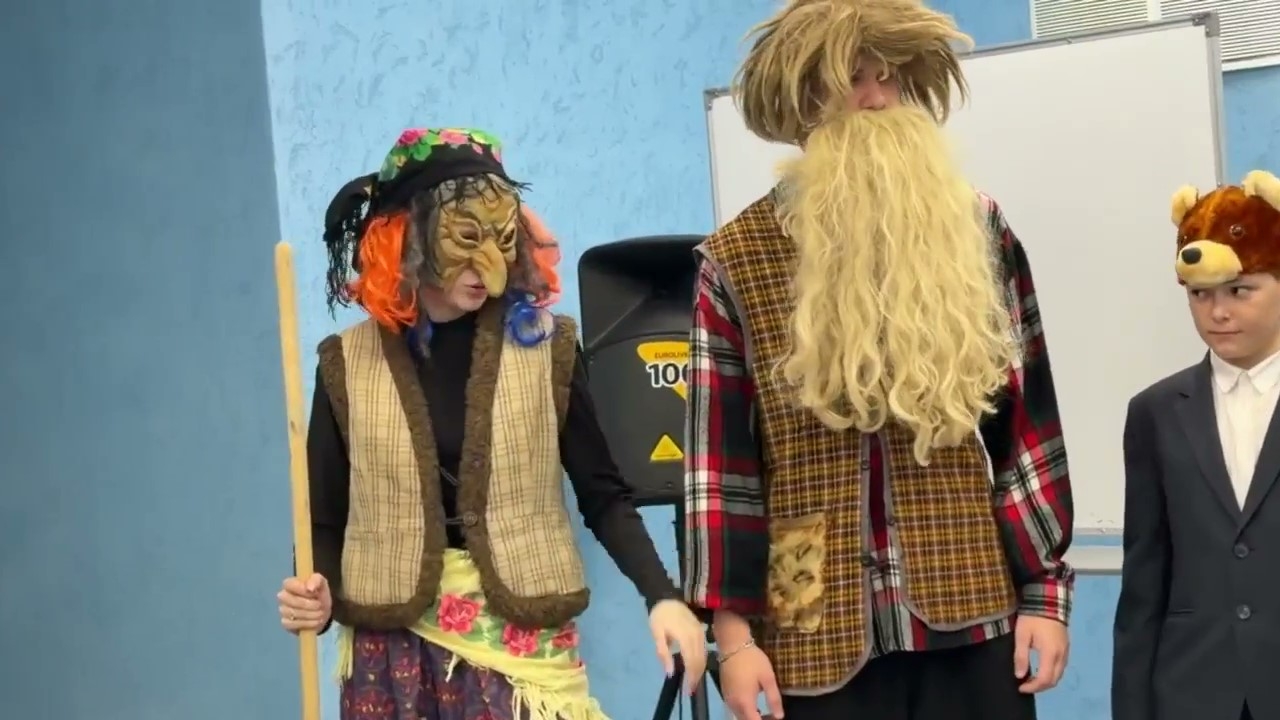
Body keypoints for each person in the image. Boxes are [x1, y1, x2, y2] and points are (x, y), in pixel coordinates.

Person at [680, 2, 1076, 719]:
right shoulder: (734, 259)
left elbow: (1025, 421)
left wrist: (1045, 593)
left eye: (887, 77)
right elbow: (720, 470)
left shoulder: (975, 226)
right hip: (815, 629)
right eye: (852, 81)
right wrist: (733, 642)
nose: (876, 98)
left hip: (968, 601)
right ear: (803, 102)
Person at [274, 127, 707, 720]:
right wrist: (315, 590)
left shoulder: (548, 348)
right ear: (407, 237)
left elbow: (603, 495)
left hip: (521, 642)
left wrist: (663, 596)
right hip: (391, 652)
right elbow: (324, 516)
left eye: (503, 240)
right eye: (466, 238)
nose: (492, 269)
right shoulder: (345, 363)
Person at [1112, 170, 1280, 720]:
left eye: (1240, 290)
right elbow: (1144, 582)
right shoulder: (1155, 413)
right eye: (1200, 295)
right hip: (1192, 692)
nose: (1218, 312)